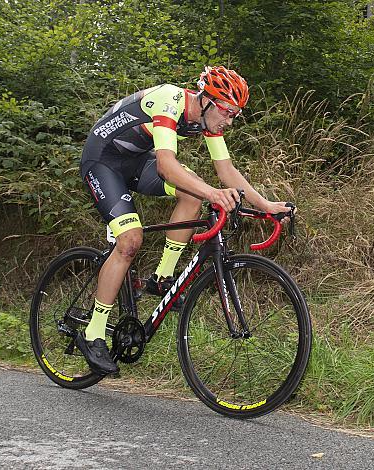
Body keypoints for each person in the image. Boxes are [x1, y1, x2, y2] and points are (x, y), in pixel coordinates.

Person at [77, 66, 291, 375]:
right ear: (205, 100)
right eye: (227, 112)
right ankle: (93, 333)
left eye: (235, 115)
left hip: (135, 162)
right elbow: (166, 165)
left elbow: (226, 171)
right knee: (130, 241)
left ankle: (161, 279)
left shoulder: (208, 120)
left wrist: (267, 205)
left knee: (192, 193)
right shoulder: (169, 100)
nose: (229, 121)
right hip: (102, 161)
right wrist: (215, 195)